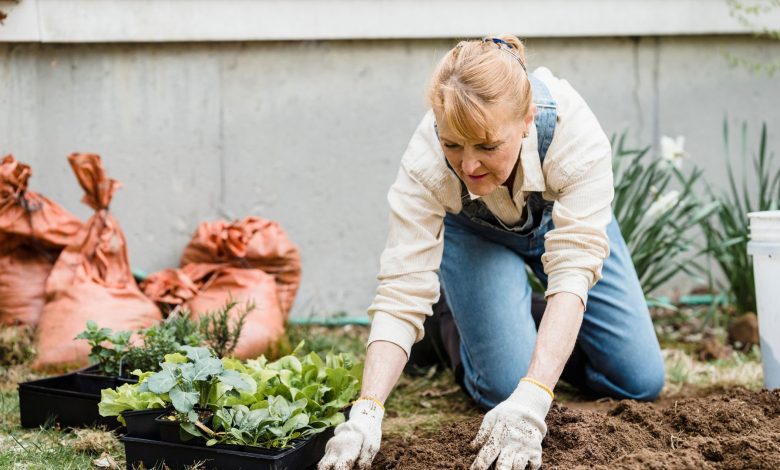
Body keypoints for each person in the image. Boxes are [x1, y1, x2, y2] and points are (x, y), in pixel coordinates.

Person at [318, 34, 665, 470]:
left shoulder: (573, 136)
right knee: (504, 386)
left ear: (525, 120)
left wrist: (536, 396)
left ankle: (500, 312)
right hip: (474, 236)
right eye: (452, 145)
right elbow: (402, 290)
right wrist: (366, 412)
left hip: (564, 228)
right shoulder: (424, 162)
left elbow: (573, 270)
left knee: (639, 381)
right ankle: (452, 321)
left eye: (486, 146)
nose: (468, 166)